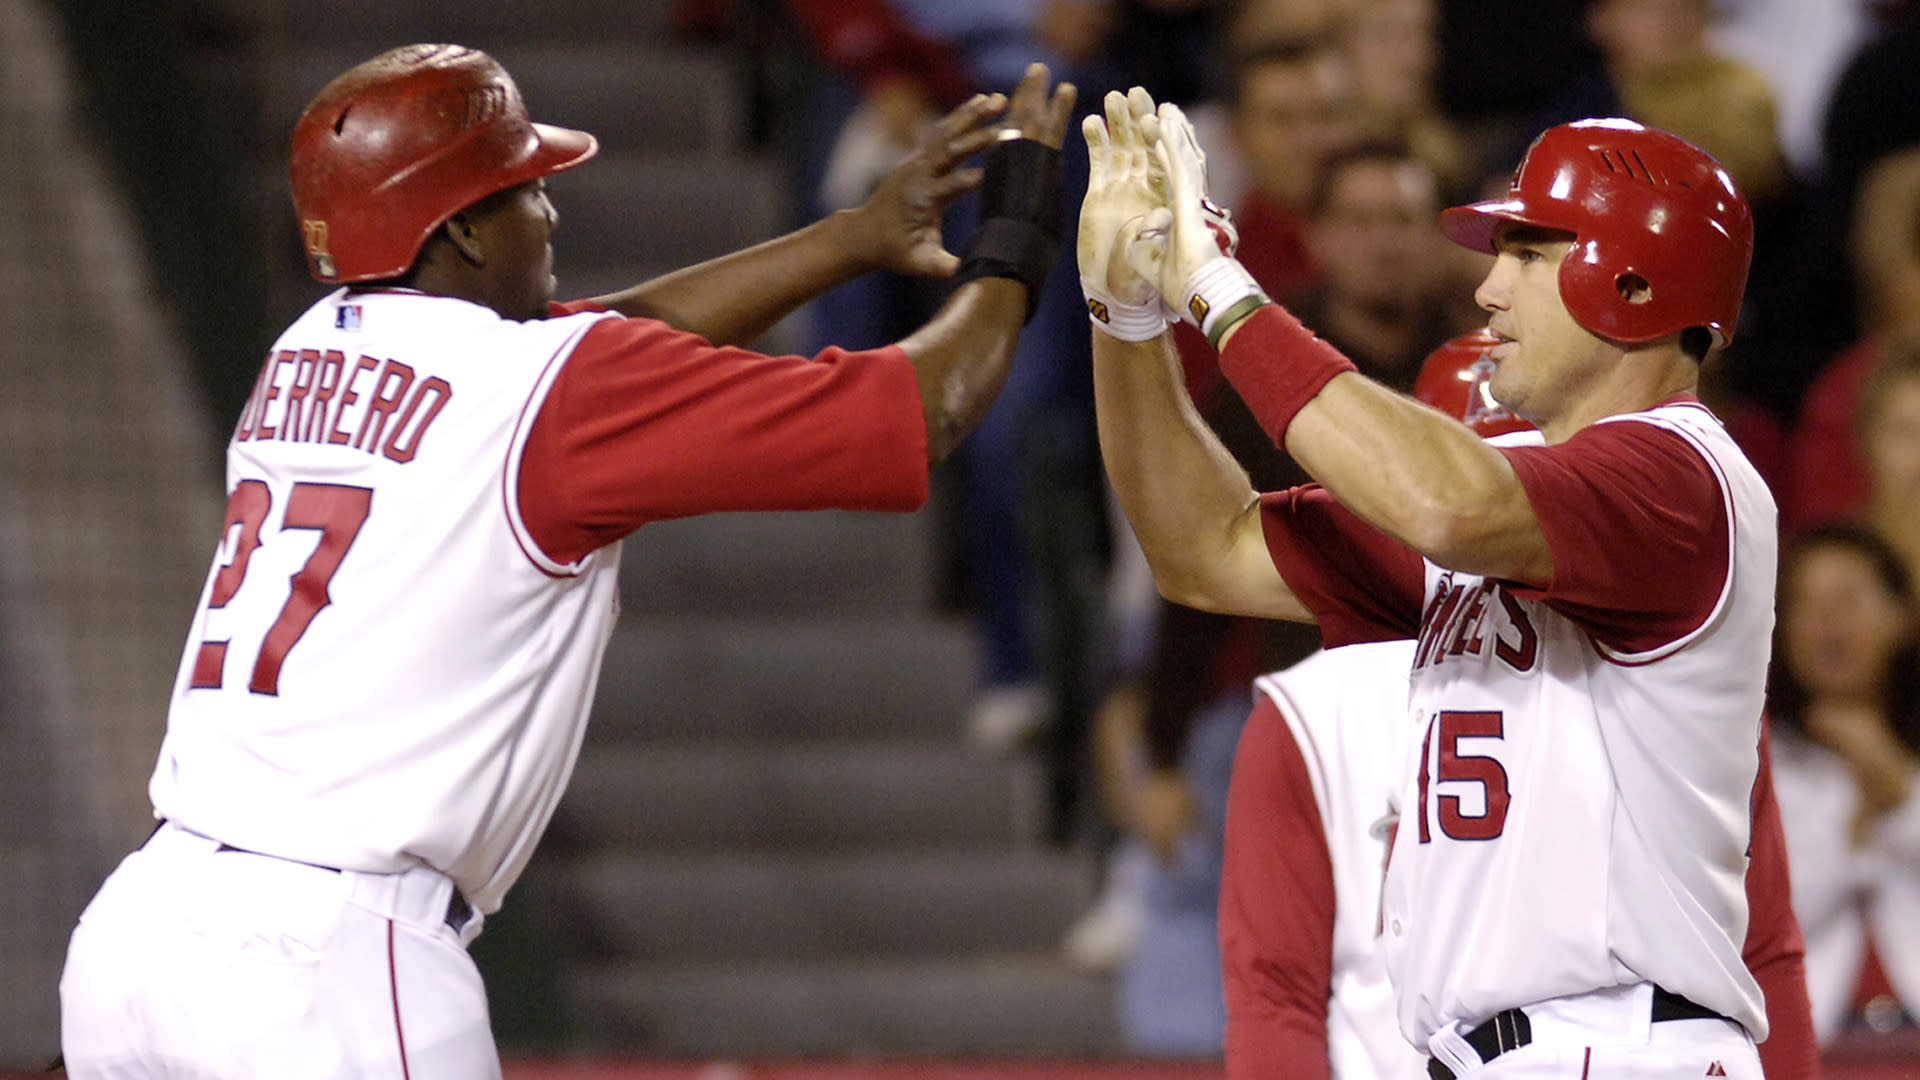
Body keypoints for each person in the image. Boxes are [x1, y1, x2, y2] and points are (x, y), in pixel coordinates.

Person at [57, 44, 1076, 1077]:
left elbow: (601, 345)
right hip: (322, 966)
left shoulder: (307, 349)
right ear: (456, 228)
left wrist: (846, 243)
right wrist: (1022, 234)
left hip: (141, 935)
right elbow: (930, 404)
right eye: (523, 190)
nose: (548, 212)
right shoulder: (542, 389)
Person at [1081, 86, 1778, 1080]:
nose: (1489, 291)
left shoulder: (1681, 475)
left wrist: (1218, 283)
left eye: (1528, 254)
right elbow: (1204, 550)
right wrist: (1129, 314)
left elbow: (1449, 505)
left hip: (1623, 1043)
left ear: (1633, 286)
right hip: (1499, 1051)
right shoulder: (1513, 491)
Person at [1215, 332, 1819, 1080]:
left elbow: (1764, 946)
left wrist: (1220, 299)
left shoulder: (1680, 661)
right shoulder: (1314, 709)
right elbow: (1274, 992)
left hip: (1613, 1043)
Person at [1768, 523, 1920, 1044]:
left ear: (1902, 614)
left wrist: (1898, 792)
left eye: (1848, 597)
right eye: (1805, 603)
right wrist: (1855, 842)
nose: (1826, 621)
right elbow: (1756, 918)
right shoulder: (1747, 762)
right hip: (1809, 1046)